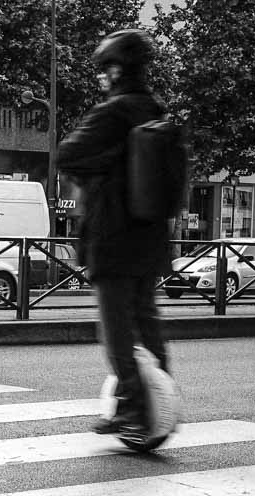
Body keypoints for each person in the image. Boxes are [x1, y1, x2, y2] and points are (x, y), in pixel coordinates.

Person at [55, 29, 171, 441]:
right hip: (151, 236)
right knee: (146, 319)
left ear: (118, 68)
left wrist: (99, 168)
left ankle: (136, 409)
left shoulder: (112, 112)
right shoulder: (154, 109)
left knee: (116, 329)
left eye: (105, 69)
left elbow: (67, 154)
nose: (101, 78)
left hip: (112, 234)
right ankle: (158, 400)